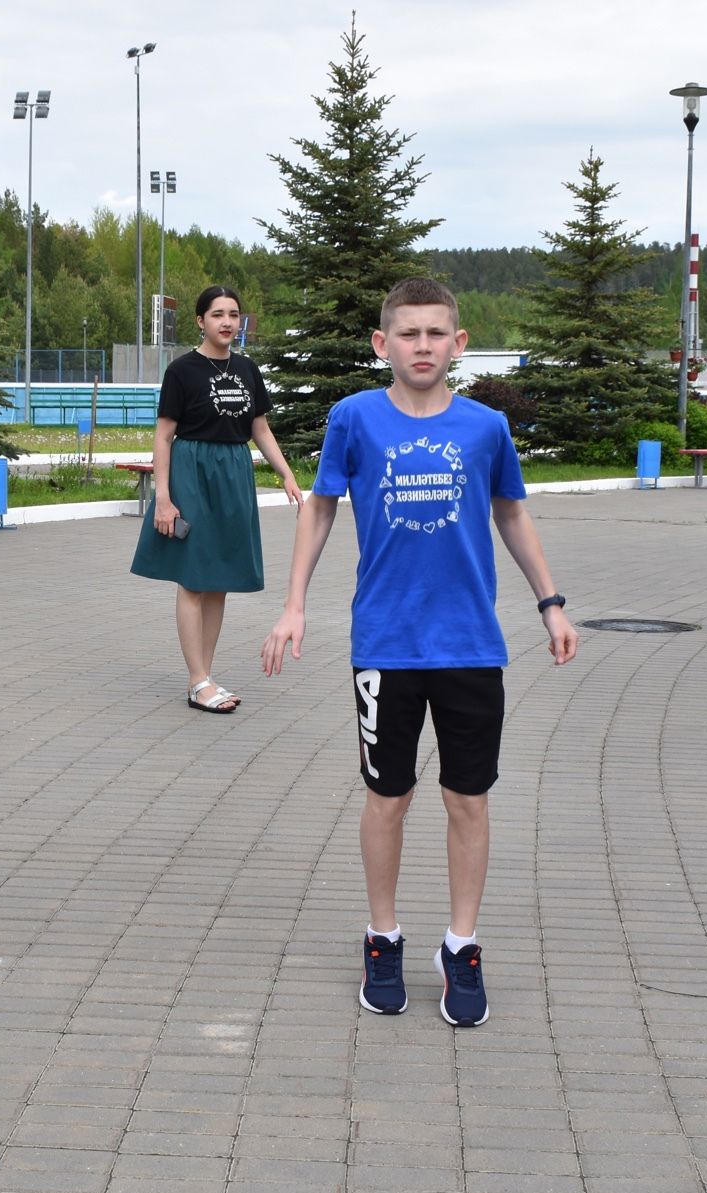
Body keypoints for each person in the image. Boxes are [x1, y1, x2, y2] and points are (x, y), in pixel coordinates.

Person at [260, 277, 577, 1028]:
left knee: (468, 798)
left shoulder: (486, 427)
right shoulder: (354, 419)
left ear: (458, 343)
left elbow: (511, 512)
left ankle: (461, 946)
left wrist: (551, 601)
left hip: (470, 645)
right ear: (383, 343)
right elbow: (321, 507)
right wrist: (295, 603)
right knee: (389, 797)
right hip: (385, 643)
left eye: (437, 333)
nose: (423, 345)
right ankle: (383, 937)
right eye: (409, 333)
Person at [131, 285, 302, 714]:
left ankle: (204, 676)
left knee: (219, 580)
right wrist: (164, 498)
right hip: (192, 473)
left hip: (233, 474)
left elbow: (260, 428)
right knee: (193, 578)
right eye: (217, 314)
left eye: (233, 314)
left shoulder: (247, 369)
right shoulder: (182, 370)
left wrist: (286, 473)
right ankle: (198, 680)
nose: (227, 322)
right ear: (200, 321)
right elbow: (163, 436)